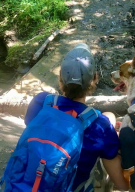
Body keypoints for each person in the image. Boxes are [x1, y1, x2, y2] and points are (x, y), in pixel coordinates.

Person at [24, 43, 129, 192]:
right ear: (94, 79)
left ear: (60, 78)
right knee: (109, 118)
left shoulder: (40, 102)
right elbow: (122, 185)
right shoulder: (100, 126)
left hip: (26, 185)